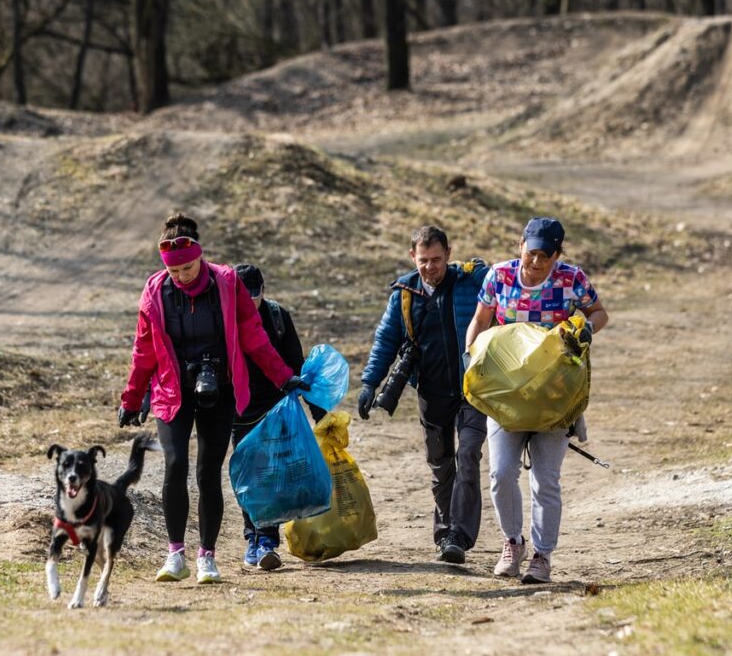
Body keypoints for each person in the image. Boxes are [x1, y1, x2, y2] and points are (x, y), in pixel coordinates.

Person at [118, 213, 308, 585]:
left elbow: (253, 336)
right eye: (175, 271)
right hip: (173, 390)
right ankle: (175, 555)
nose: (182, 276)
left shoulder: (226, 283)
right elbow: (143, 350)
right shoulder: (155, 291)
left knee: (208, 472)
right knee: (174, 464)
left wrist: (283, 377)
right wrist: (132, 397)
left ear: (200, 257)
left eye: (188, 268)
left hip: (218, 390)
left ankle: (207, 556)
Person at [464, 216, 609, 584]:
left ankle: (542, 556)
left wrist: (584, 330)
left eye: (546, 255)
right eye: (531, 253)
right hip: (506, 391)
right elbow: (480, 321)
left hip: (553, 394)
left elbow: (598, 312)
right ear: (520, 246)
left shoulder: (571, 279)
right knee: (500, 473)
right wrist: (471, 355)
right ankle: (512, 543)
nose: (536, 262)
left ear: (558, 254)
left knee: (546, 480)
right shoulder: (499, 276)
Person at [357, 226, 489, 564]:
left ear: (449, 253)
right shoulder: (403, 293)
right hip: (431, 391)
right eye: (423, 260)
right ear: (412, 256)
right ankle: (445, 534)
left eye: (437, 259)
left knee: (469, 455)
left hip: (472, 388)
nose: (430, 267)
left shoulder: (471, 282)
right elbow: (386, 340)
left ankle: (459, 534)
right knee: (440, 465)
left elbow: (502, 296)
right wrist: (370, 383)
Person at [231, 263, 327, 572]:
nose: (249, 304)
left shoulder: (277, 317)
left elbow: (297, 366)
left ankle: (266, 542)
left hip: (276, 411)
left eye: (253, 297)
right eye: (242, 298)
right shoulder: (223, 319)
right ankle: (254, 538)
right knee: (248, 478)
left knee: (272, 477)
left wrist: (319, 415)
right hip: (239, 413)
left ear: (264, 291)